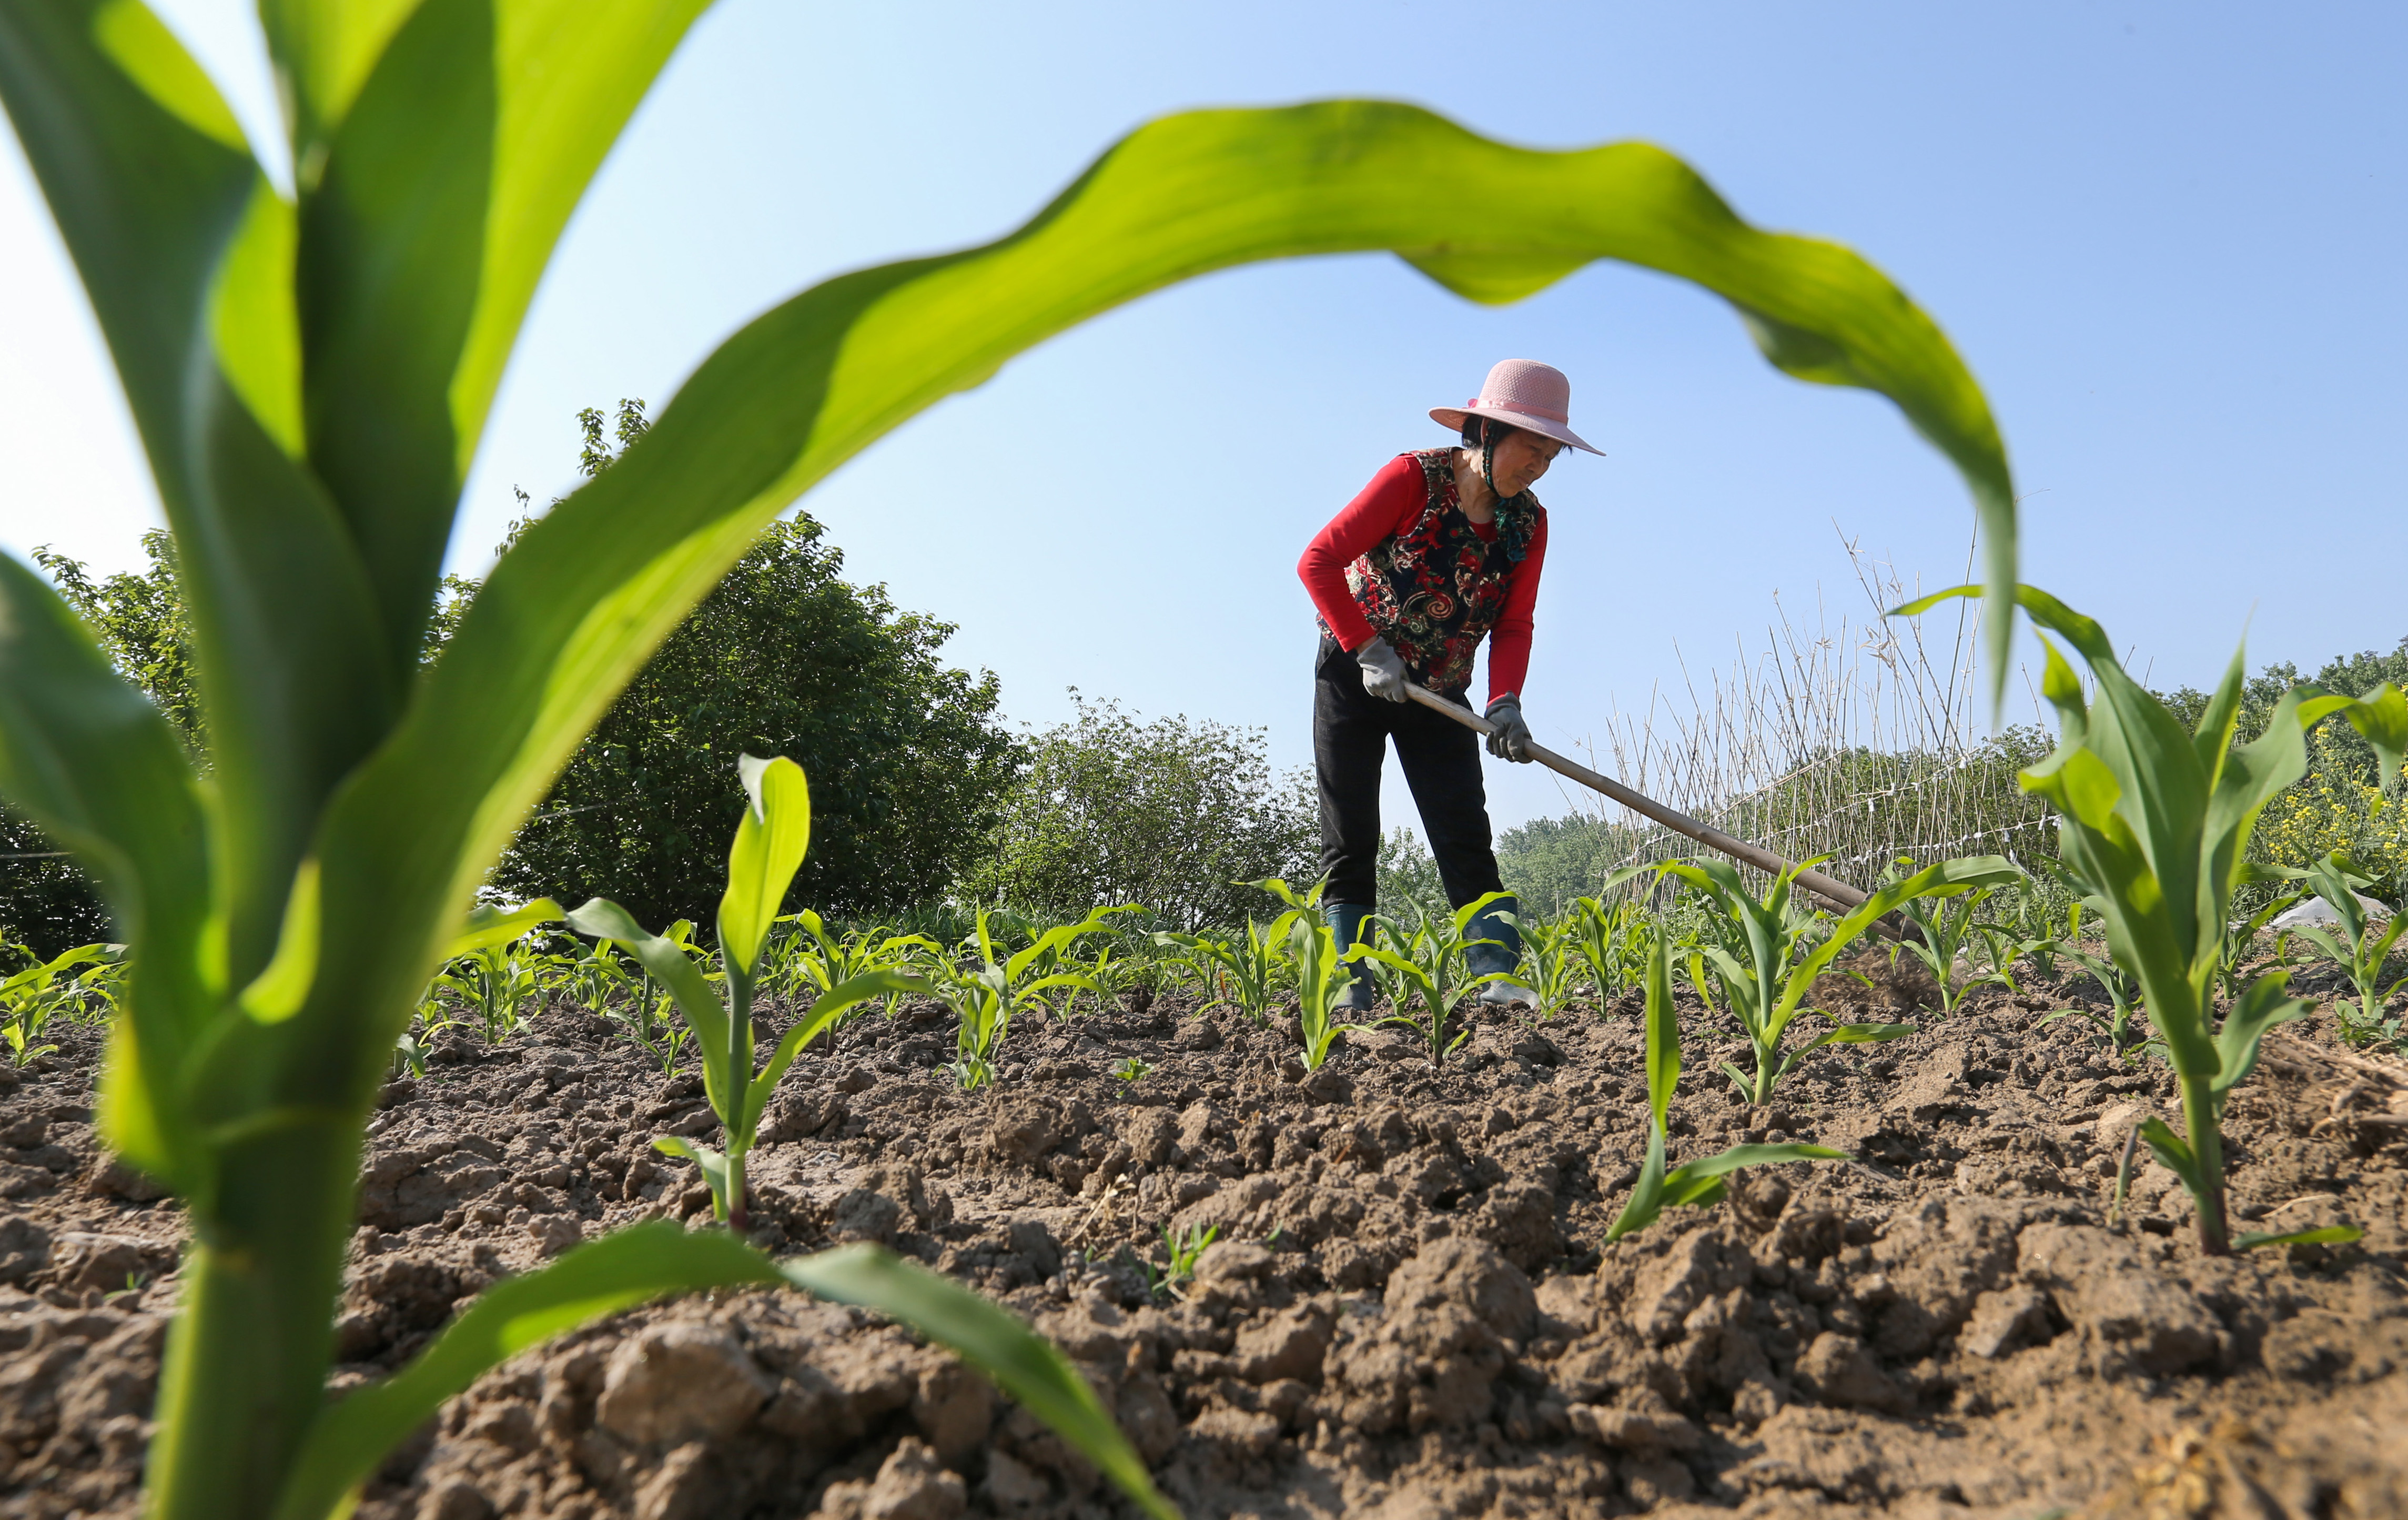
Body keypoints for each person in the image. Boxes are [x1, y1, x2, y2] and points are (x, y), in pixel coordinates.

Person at [1296, 358, 1601, 1010]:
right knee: (1350, 833)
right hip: (1356, 675)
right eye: (1531, 448)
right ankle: (1351, 985)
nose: (1539, 467)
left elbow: (1515, 622)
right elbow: (1317, 561)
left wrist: (1505, 701)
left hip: (1440, 691)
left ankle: (1497, 974)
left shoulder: (1529, 524)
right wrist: (1368, 647)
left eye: (1551, 456)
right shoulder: (1413, 478)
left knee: (1463, 828)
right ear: (1486, 433)